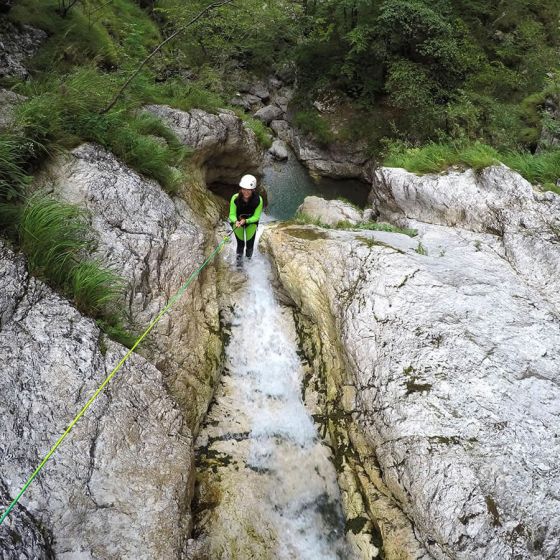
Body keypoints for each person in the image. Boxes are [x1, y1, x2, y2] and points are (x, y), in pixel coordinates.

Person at [229, 174, 263, 267]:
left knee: (250, 245)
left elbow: (256, 217)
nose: (246, 192)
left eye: (248, 190)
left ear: (253, 190)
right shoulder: (235, 198)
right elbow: (231, 214)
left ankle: (248, 263)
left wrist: (246, 221)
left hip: (251, 224)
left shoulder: (258, 200)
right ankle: (239, 266)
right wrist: (235, 221)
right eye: (244, 189)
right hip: (237, 223)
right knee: (240, 244)